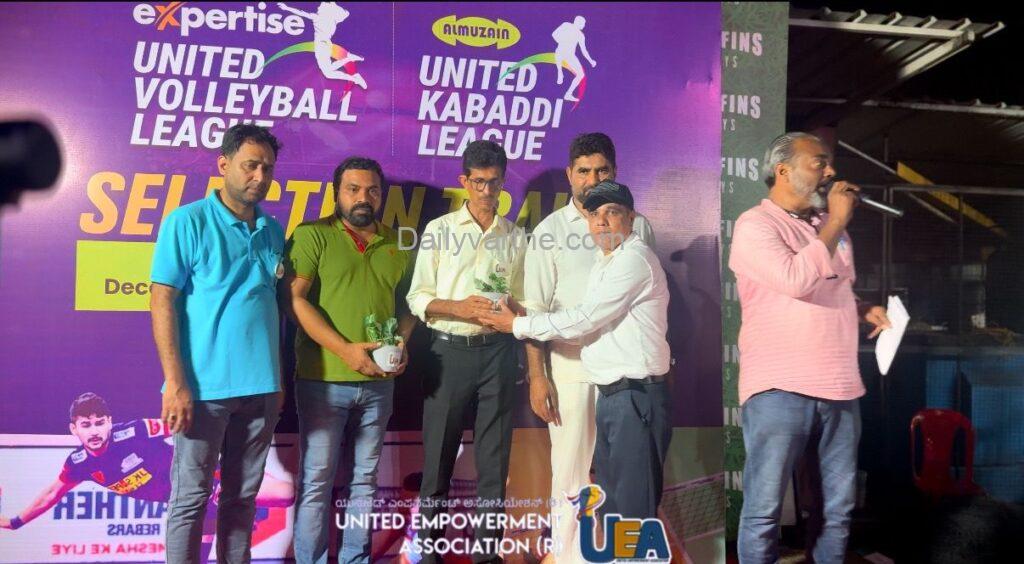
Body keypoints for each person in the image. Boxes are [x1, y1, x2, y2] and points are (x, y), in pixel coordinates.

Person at [728, 132, 890, 564]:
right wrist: (836, 222)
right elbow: (795, 281)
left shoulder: (828, 227)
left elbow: (830, 287)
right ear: (783, 170)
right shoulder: (755, 225)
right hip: (780, 387)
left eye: (829, 163)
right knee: (764, 511)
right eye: (819, 162)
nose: (831, 172)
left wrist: (862, 308)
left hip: (840, 387)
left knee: (836, 511)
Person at [482, 180, 672, 522]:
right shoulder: (605, 262)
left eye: (612, 212)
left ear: (631, 218)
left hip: (636, 397)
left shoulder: (634, 259)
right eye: (594, 215)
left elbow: (584, 320)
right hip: (613, 397)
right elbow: (582, 326)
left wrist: (518, 325)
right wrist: (527, 319)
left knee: (634, 512)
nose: (601, 222)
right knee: (612, 511)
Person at [150, 123, 286, 563]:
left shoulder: (272, 229)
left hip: (261, 390)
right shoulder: (186, 222)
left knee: (242, 499)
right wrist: (176, 383)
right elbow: (162, 300)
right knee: (191, 498)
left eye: (267, 168)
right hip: (202, 391)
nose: (260, 177)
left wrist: (277, 383)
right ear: (224, 165)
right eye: (250, 165)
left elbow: (269, 310)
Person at [522, 132, 655, 561]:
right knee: (570, 472)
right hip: (570, 368)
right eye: (584, 171)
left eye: (602, 171)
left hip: (624, 371)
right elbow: (535, 311)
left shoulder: (638, 225)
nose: (592, 179)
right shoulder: (549, 231)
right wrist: (538, 376)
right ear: (569, 175)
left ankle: (622, 556)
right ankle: (566, 556)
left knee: (626, 474)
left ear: (615, 172)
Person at [284, 156, 416, 563]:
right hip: (323, 382)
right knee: (317, 481)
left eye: (372, 190)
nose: (364, 197)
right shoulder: (312, 235)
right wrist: (345, 351)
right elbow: (294, 300)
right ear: (336, 193)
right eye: (353, 189)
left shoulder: (397, 243)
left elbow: (410, 306)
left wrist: (401, 343)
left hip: (379, 384)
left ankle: (355, 559)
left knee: (365, 480)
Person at [405, 140, 526, 564]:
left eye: (494, 183)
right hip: (449, 352)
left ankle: (487, 556)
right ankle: (430, 554)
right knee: (438, 462)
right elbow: (417, 298)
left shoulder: (516, 236)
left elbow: (525, 301)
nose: (487, 191)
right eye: (478, 182)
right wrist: (458, 307)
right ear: (464, 181)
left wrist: (511, 309)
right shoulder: (440, 230)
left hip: (498, 353)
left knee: (494, 465)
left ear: (503, 181)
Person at [0, 393, 292, 533]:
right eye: (86, 425)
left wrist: (228, 454)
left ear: (109, 422)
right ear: (74, 429)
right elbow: (52, 493)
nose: (94, 431)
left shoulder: (135, 431)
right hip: (193, 506)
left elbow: (185, 424)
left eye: (100, 423)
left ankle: (301, 494)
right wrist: (15, 522)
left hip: (212, 480)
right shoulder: (78, 464)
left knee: (286, 495)